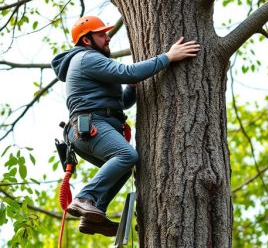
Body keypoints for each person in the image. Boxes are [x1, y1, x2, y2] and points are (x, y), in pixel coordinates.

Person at [51, 16, 200, 236]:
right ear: (86, 40)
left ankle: (94, 215)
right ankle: (85, 198)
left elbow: (121, 103)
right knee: (127, 156)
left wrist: (131, 88)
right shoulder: (86, 58)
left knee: (122, 169)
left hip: (90, 127)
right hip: (90, 126)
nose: (107, 37)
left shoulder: (89, 60)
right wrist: (168, 57)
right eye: (101, 34)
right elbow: (128, 72)